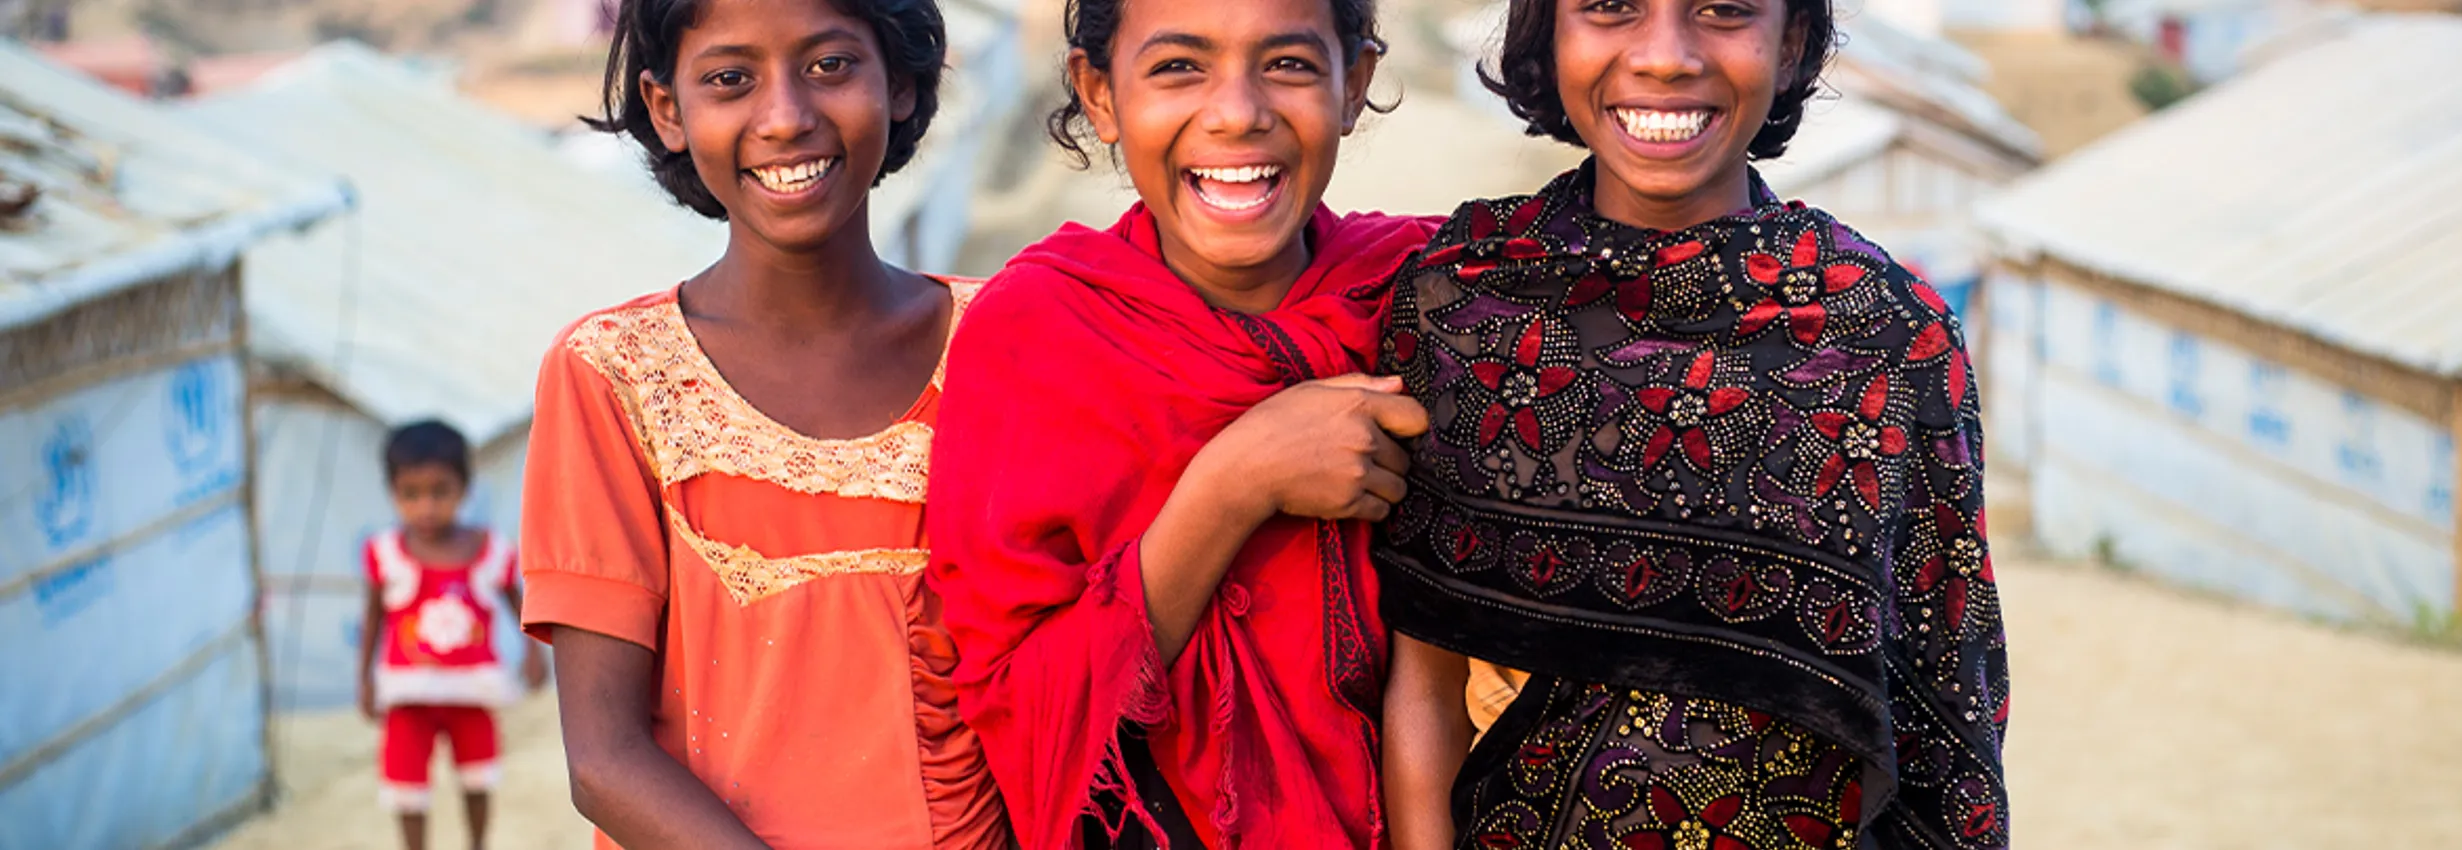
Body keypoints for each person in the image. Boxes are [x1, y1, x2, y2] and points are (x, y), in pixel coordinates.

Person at [1374, 0, 2011, 847]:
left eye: (1723, 10)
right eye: (1610, 7)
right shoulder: (1464, 308)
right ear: (1549, 34)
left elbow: (1946, 702)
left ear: (1790, 44)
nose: (1666, 57)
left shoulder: (1887, 336)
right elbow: (1425, 683)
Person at [922, 0, 1433, 846]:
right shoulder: (1038, 334)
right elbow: (1020, 706)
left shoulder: (1426, 299)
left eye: (1290, 66)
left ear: (1356, 84)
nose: (1237, 111)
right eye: (1177, 68)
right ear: (1099, 94)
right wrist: (1237, 484)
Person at [516, 0, 1009, 846]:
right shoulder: (616, 376)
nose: (785, 117)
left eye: (829, 66)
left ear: (897, 81)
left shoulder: (1008, 345)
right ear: (668, 109)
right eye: (730, 80)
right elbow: (604, 758)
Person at [359, 419, 548, 850]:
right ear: (393, 492)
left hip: (473, 694)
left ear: (464, 488)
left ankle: (478, 844)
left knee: (478, 777)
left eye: (439, 492)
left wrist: (535, 653)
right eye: (411, 494)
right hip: (408, 698)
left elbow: (523, 607)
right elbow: (372, 618)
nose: (426, 506)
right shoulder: (384, 554)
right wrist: (365, 678)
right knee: (406, 787)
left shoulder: (490, 551)